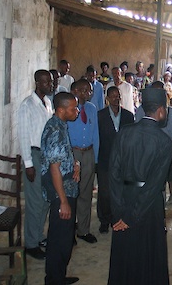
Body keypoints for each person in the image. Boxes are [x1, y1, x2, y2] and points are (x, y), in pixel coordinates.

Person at [108, 88, 172, 285]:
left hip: (124, 198)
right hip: (149, 206)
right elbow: (153, 186)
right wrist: (131, 216)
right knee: (149, 257)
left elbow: (113, 175)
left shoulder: (124, 133)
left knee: (125, 256)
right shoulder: (165, 142)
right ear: (161, 111)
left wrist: (119, 212)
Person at [41, 92, 81, 285]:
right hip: (61, 193)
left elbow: (61, 159)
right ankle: (54, 280)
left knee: (65, 238)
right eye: (73, 108)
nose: (77, 111)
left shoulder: (61, 125)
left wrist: (75, 165)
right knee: (59, 239)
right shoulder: (55, 130)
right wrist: (63, 201)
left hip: (67, 187)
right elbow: (54, 168)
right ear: (61, 109)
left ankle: (59, 276)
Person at [17, 70, 53, 260]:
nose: (50, 85)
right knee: (34, 202)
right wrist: (28, 164)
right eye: (47, 82)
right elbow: (23, 136)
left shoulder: (47, 103)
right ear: (37, 83)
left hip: (46, 157)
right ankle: (30, 244)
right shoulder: (27, 105)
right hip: (34, 155)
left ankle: (39, 236)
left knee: (46, 199)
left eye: (51, 82)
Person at [97, 86, 134, 234]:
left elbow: (132, 139)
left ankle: (118, 218)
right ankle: (104, 220)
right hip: (105, 159)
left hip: (123, 161)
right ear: (107, 98)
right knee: (105, 192)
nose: (115, 98)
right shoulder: (100, 115)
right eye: (112, 96)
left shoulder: (128, 116)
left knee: (121, 191)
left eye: (117, 95)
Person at [69, 80, 99, 244]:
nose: (87, 94)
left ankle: (83, 229)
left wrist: (96, 158)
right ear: (74, 90)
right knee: (71, 193)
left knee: (86, 193)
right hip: (73, 153)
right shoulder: (69, 109)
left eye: (89, 91)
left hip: (88, 153)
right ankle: (68, 230)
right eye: (83, 90)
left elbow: (96, 134)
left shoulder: (92, 109)